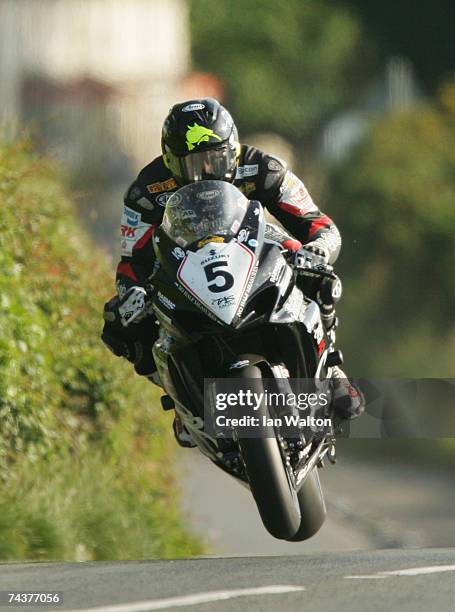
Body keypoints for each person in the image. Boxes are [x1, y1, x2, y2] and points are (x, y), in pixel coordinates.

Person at [102, 98, 364, 446]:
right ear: (170, 161)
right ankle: (183, 404)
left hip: (256, 253)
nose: (206, 169)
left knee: (316, 271)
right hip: (185, 270)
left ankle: (330, 371)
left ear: (234, 148)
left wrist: (317, 250)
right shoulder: (147, 192)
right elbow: (130, 260)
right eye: (192, 164)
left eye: (217, 157)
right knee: (122, 324)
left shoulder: (264, 168)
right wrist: (130, 294)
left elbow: (319, 225)